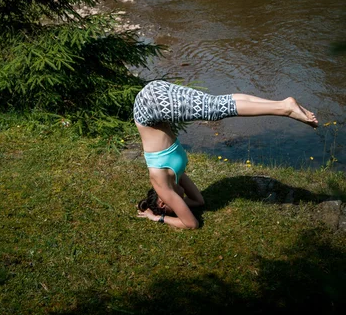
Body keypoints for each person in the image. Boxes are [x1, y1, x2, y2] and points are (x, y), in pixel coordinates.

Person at [135, 80, 318, 230]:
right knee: (216, 103)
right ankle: (282, 104)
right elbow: (198, 201)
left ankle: (285, 108)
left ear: (161, 203)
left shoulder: (161, 182)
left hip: (149, 106)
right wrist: (175, 207)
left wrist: (157, 219)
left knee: (212, 110)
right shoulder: (175, 177)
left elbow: (191, 224)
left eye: (172, 208)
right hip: (152, 97)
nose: (178, 205)